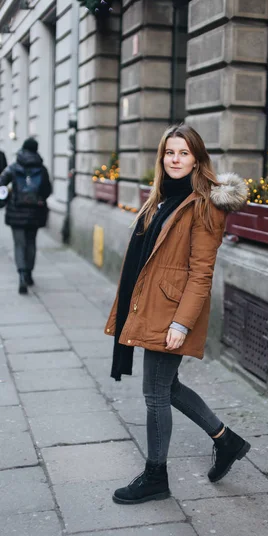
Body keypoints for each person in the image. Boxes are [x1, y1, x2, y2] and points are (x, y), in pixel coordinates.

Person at [105, 124, 250, 505]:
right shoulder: (161, 199)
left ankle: (156, 476)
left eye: (184, 153)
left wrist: (181, 323)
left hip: (171, 313)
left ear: (198, 159)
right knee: (167, 388)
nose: (175, 159)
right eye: (170, 152)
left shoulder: (204, 205)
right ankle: (227, 440)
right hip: (153, 306)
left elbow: (201, 274)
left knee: (155, 393)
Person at [0, 138, 52, 294]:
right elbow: (47, 190)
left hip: (16, 211)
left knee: (19, 244)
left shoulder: (14, 167)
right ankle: (29, 273)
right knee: (31, 242)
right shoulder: (42, 168)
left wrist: (6, 198)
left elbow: (1, 182)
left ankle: (21, 274)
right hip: (35, 212)